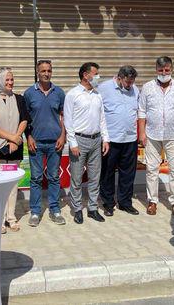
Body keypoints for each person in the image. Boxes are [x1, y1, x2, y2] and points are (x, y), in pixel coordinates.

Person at [138, 56, 174, 217]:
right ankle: (152, 201)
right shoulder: (147, 87)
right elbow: (142, 111)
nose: (164, 73)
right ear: (156, 70)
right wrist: (142, 132)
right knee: (151, 169)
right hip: (152, 134)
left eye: (167, 70)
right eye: (161, 70)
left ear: (171, 69)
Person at [0, 68, 29, 233]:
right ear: (0, 81)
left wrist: (16, 138)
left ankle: (11, 218)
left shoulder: (19, 99)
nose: (10, 83)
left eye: (12, 80)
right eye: (7, 80)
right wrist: (11, 137)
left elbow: (24, 119)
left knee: (12, 184)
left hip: (14, 148)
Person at [64, 62, 109, 224]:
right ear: (85, 75)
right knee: (76, 177)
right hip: (79, 140)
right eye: (95, 74)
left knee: (95, 177)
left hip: (96, 140)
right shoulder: (73, 94)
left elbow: (102, 118)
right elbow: (68, 121)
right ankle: (77, 209)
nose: (98, 77)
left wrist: (106, 139)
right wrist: (73, 143)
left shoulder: (97, 95)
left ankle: (92, 208)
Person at [24, 60, 66, 227]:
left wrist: (63, 136)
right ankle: (35, 212)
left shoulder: (59, 93)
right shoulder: (29, 93)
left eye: (49, 70)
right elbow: (25, 119)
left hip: (55, 143)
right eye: (43, 71)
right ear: (37, 72)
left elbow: (64, 117)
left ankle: (55, 210)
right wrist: (29, 136)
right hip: (36, 143)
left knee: (54, 177)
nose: (46, 73)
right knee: (35, 178)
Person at [98, 65, 140, 216]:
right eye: (127, 82)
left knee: (128, 173)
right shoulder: (104, 88)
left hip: (130, 139)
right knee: (107, 173)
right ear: (119, 77)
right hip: (111, 140)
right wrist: (103, 138)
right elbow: (97, 111)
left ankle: (125, 202)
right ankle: (108, 203)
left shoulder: (135, 90)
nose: (130, 85)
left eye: (132, 82)